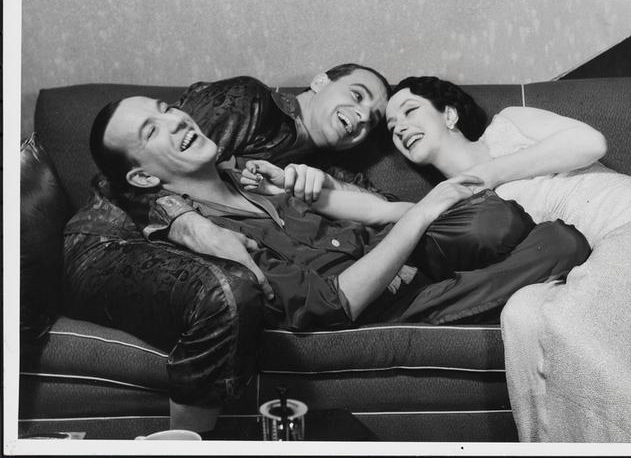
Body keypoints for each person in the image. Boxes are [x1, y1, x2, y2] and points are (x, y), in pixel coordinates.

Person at [85, 93, 590, 433]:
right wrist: (426, 210)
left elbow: (369, 212)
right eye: (152, 130)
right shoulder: (209, 239)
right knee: (562, 243)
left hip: (394, 252)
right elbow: (334, 302)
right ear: (144, 179)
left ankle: (522, 287)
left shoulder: (251, 171)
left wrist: (321, 188)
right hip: (377, 304)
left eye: (167, 109)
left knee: (494, 218)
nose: (176, 120)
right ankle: (521, 291)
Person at [384, 76, 631, 442]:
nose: (400, 128)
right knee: (522, 317)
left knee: (571, 325)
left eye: (409, 111)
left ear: (449, 114)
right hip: (581, 265)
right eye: (391, 126)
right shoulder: (450, 208)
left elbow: (590, 142)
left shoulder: (508, 124)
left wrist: (487, 174)